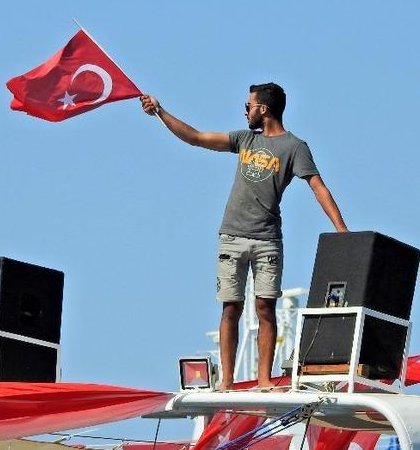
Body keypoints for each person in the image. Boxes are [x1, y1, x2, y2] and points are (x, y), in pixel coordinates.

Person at [140, 83, 348, 390]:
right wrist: (159, 111)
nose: (245, 110)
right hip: (232, 237)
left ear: (263, 109)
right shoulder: (244, 139)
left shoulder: (295, 147)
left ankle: (264, 379)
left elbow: (318, 186)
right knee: (231, 308)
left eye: (248, 105)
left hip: (267, 240)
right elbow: (197, 138)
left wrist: (341, 230)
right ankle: (227, 380)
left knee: (265, 307)